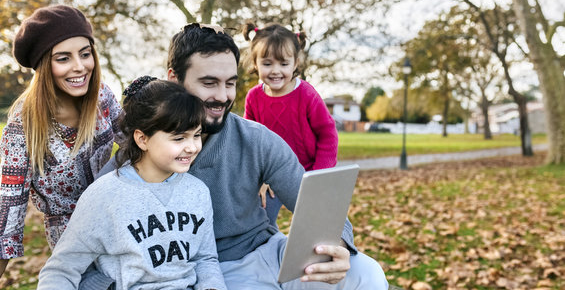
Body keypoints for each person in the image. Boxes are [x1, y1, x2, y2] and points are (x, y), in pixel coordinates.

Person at [100, 23, 387, 289]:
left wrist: (338, 246)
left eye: (230, 83)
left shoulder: (256, 138)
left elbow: (316, 203)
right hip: (205, 271)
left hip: (268, 252)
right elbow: (95, 233)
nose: (224, 96)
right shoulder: (143, 151)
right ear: (174, 79)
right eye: (209, 83)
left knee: (367, 273)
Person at [38, 77, 226, 290]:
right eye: (179, 138)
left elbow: (205, 259)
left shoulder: (197, 191)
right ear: (142, 139)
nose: (192, 147)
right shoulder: (104, 195)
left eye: (197, 135)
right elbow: (62, 269)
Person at [0, 5, 121, 277]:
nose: (80, 67)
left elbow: (141, 142)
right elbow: (9, 212)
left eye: (85, 54)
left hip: (120, 217)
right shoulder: (24, 126)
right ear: (44, 66)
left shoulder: (101, 96)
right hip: (73, 243)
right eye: (63, 58)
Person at [242, 23, 338, 226]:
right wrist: (259, 179)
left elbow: (328, 133)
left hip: (308, 172)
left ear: (295, 64)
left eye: (283, 64)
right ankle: (267, 252)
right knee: (259, 221)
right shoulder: (254, 98)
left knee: (316, 224)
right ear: (256, 63)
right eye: (267, 64)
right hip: (271, 176)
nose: (276, 71)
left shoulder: (306, 94)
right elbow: (250, 144)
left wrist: (318, 176)